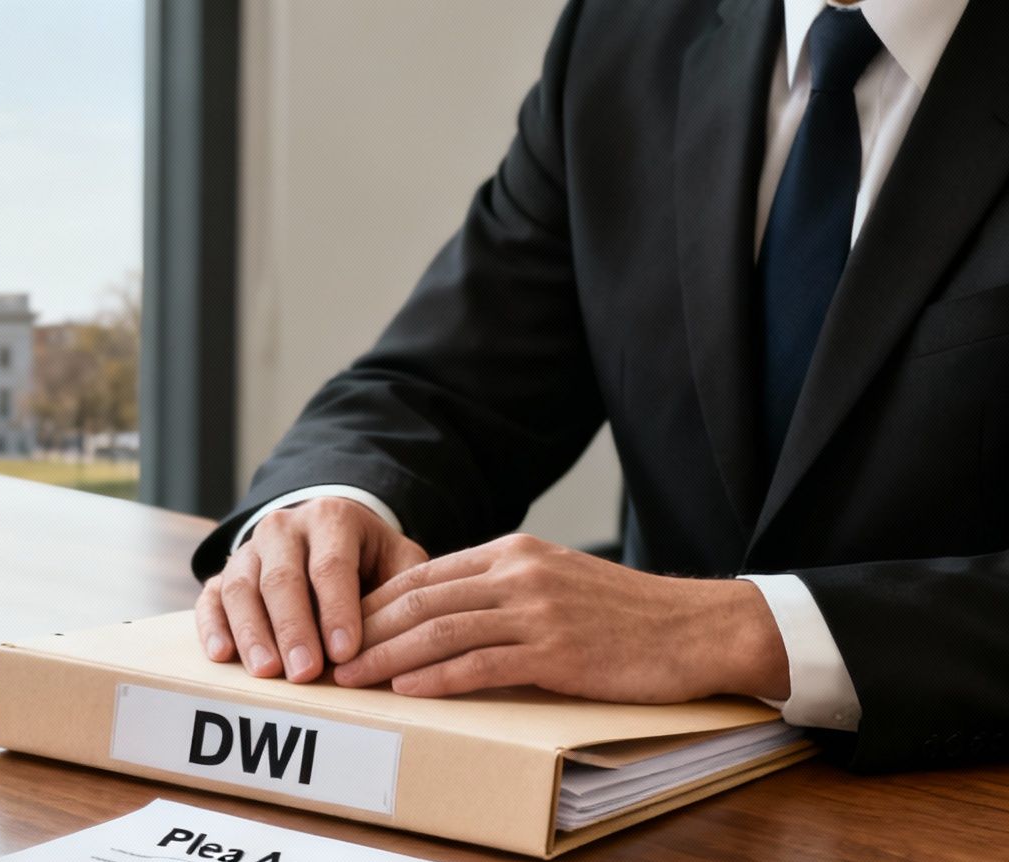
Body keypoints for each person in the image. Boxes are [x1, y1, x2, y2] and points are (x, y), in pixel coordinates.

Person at [196, 0, 1009, 770]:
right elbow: (449, 379)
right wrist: (334, 505)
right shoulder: (624, 33)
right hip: (637, 796)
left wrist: (735, 632)